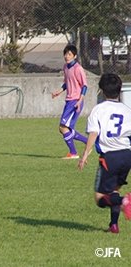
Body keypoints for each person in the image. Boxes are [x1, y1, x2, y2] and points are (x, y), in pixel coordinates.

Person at [78, 73, 131, 233]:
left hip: (110, 157)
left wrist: (85, 154)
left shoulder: (98, 110)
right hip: (126, 155)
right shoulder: (127, 110)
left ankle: (125, 201)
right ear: (119, 91)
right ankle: (113, 225)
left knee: (100, 198)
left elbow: (93, 133)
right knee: (113, 191)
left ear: (101, 91)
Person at [52, 44, 87, 159]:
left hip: (75, 101)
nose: (67, 56)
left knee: (63, 128)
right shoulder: (65, 67)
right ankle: (88, 143)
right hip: (69, 101)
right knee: (66, 128)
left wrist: (79, 101)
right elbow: (66, 83)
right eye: (66, 54)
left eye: (70, 54)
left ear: (75, 56)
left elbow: (84, 86)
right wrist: (59, 91)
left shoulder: (78, 69)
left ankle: (74, 152)